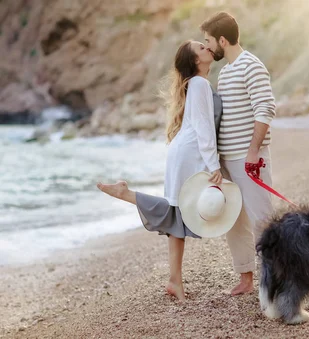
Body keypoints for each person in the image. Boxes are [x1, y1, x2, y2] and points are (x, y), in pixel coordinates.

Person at [96, 40, 223, 301]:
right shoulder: (199, 84)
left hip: (183, 152)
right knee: (178, 211)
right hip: (191, 153)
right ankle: (127, 194)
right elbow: (204, 128)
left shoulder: (197, 84)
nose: (206, 48)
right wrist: (214, 165)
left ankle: (175, 281)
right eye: (201, 48)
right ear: (196, 61)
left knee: (177, 214)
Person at [200, 11, 276, 296]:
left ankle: (275, 279)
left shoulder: (251, 66)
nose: (207, 47)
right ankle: (246, 277)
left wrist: (253, 152)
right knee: (234, 220)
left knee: (263, 219)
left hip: (250, 159)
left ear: (222, 40)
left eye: (209, 41)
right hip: (228, 161)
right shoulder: (227, 71)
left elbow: (266, 108)